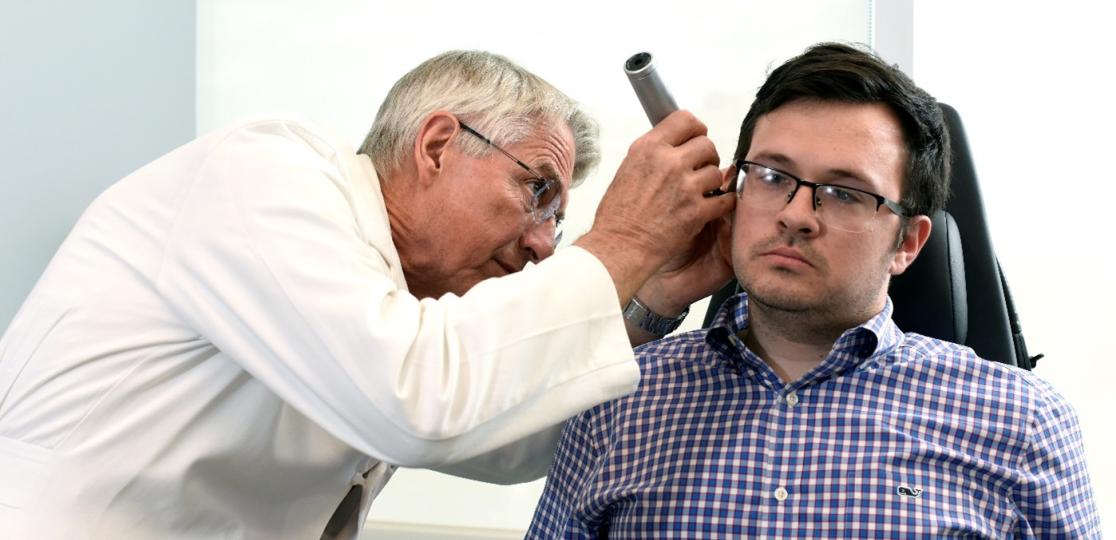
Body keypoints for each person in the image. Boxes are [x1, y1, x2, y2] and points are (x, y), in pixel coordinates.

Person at [0, 50, 736, 538]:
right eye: (535, 191)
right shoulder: (264, 172)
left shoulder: (392, 305)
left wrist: (652, 299)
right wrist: (625, 242)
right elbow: (415, 404)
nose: (545, 242)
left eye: (559, 217)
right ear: (438, 144)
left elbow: (505, 438)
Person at [527, 43, 1101, 539]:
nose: (797, 215)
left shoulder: (1021, 421)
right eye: (773, 177)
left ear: (908, 242)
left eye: (845, 193)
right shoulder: (619, 397)